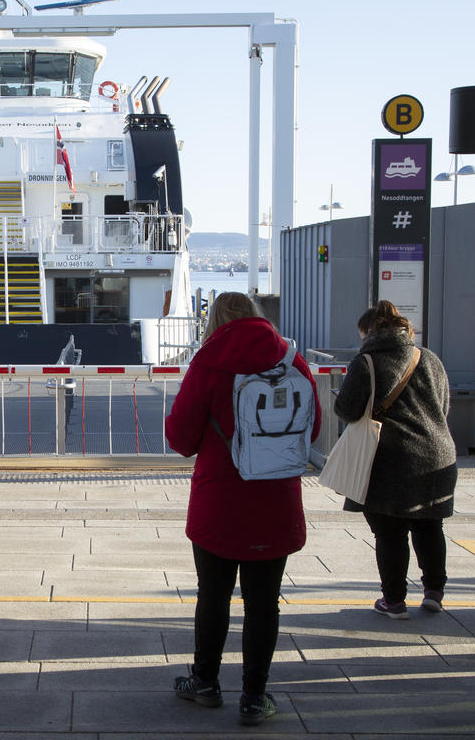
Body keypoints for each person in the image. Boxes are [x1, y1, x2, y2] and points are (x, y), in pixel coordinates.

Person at [165, 292, 320, 726]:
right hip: (275, 500)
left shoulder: (209, 362)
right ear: (256, 317)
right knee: (264, 602)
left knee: (212, 597)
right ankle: (254, 696)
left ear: (215, 319)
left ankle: (205, 683)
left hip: (220, 499)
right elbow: (314, 426)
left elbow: (180, 438)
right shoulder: (292, 360)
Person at [334, 300, 457, 620]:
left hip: (390, 459)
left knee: (389, 532)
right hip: (437, 453)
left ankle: (394, 600)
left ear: (370, 331)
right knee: (430, 526)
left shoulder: (367, 363)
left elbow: (347, 410)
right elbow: (443, 408)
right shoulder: (429, 358)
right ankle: (434, 593)